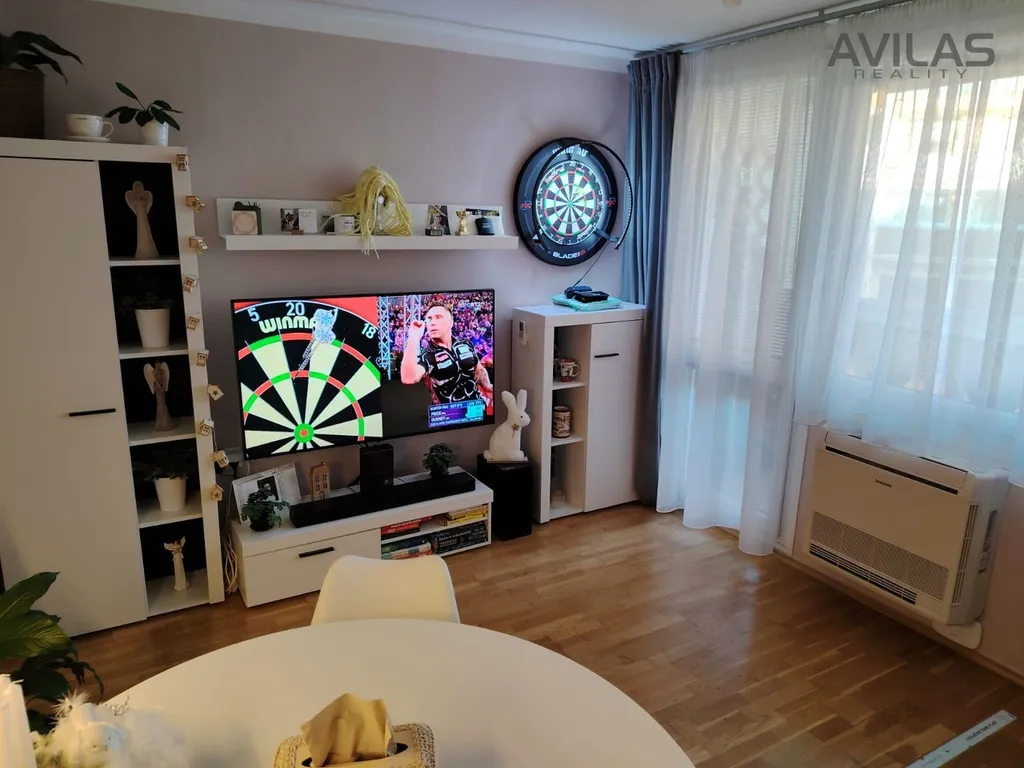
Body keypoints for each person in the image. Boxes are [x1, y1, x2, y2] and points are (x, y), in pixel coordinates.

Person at [401, 302, 493, 404]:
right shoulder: (427, 355)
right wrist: (413, 337)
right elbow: (408, 378)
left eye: (438, 317)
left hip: (476, 407)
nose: (432, 322)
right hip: (448, 411)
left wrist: (487, 387)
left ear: (450, 322)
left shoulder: (465, 344)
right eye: (429, 319)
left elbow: (478, 369)